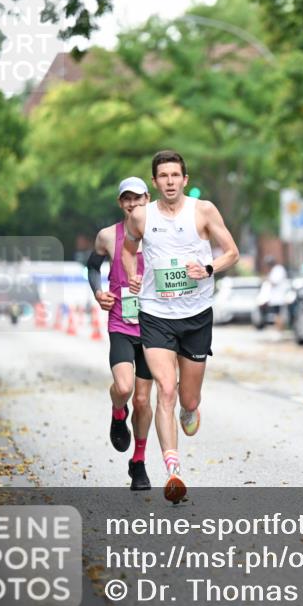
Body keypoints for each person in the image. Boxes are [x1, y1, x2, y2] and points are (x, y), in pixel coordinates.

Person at [123, 150, 239, 503]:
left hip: (196, 315)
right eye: (163, 176)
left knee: (186, 398)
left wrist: (207, 269)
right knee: (165, 388)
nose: (170, 182)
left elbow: (231, 252)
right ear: (154, 182)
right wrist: (133, 274)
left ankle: (191, 409)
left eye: (176, 175)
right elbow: (129, 250)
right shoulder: (141, 217)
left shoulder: (202, 212)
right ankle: (173, 471)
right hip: (156, 314)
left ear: (184, 180)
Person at [86, 177, 154, 491]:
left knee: (143, 401)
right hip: (122, 323)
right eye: (126, 199)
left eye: (137, 199)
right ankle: (117, 411)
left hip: (155, 327)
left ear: (147, 199)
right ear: (120, 203)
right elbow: (92, 266)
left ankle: (138, 463)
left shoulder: (161, 235)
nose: (132, 204)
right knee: (125, 388)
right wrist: (98, 292)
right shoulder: (107, 236)